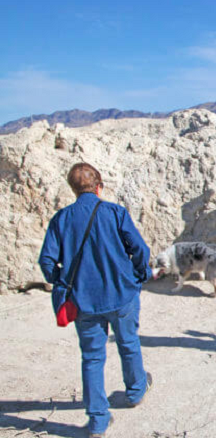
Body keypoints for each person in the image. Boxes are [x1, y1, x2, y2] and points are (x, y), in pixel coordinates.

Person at [38, 163, 152, 438]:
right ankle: (135, 392)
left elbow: (46, 261)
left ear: (73, 189)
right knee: (128, 343)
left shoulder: (61, 219)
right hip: (121, 293)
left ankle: (98, 420)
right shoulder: (115, 212)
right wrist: (140, 274)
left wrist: (61, 280)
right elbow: (139, 249)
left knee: (91, 358)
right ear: (99, 186)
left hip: (83, 299)